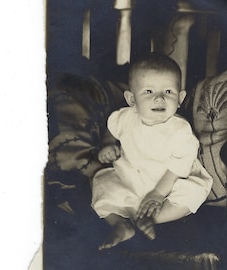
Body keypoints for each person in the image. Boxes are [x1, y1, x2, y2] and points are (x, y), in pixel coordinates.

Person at [91, 53, 213, 250]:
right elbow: (111, 129)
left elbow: (178, 167)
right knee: (102, 183)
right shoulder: (125, 117)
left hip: (170, 183)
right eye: (148, 91)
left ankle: (153, 218)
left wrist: (157, 194)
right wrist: (107, 145)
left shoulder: (180, 130)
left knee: (194, 192)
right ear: (131, 99)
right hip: (132, 180)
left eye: (168, 92)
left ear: (180, 98)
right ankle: (120, 225)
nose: (159, 98)